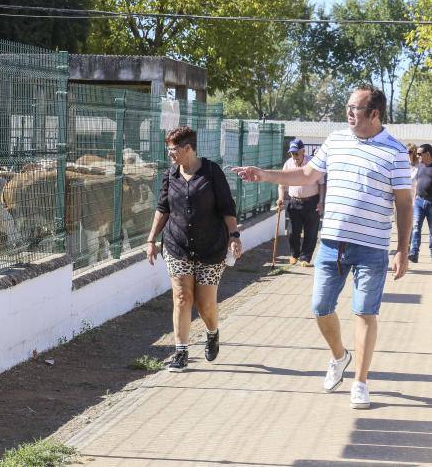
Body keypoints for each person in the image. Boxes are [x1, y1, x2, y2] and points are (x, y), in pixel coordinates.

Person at [232, 85, 412, 409]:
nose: (348, 113)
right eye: (347, 107)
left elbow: (404, 204)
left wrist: (402, 249)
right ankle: (339, 356)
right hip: (331, 243)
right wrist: (264, 175)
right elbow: (306, 175)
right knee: (320, 308)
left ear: (374, 114)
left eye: (354, 108)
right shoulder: (335, 140)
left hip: (371, 248)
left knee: (365, 312)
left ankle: (360, 381)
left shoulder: (395, 152)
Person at [146, 125, 242, 372]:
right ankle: (181, 352)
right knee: (181, 297)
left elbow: (227, 208)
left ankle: (212, 332)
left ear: (188, 148)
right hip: (177, 245)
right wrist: (151, 239)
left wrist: (234, 236)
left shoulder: (212, 172)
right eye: (169, 149)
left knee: (205, 304)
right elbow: (163, 209)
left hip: (211, 247)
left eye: (173, 149)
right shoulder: (171, 175)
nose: (170, 154)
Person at [277, 139, 326, 267]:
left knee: (311, 232)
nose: (294, 156)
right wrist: (281, 198)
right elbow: (281, 184)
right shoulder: (288, 164)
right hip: (294, 202)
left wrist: (321, 202)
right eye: (292, 154)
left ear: (303, 151)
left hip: (311, 202)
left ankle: (306, 257)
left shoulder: (313, 163)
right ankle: (294, 254)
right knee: (293, 231)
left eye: (296, 153)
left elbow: (321, 184)